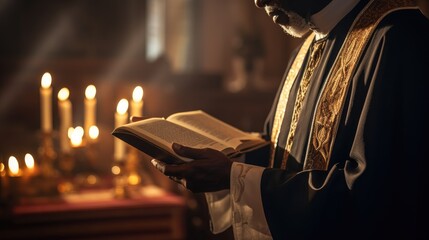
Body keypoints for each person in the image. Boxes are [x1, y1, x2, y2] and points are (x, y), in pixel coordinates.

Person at [149, 0, 429, 239]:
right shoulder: (305, 48)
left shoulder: (402, 39)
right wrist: (229, 163)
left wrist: (234, 176)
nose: (258, 2)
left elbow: (376, 195)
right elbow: (282, 154)